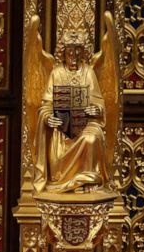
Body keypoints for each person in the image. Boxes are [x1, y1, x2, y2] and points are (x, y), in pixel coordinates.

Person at [33, 31, 109, 193]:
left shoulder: (88, 72)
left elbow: (98, 102)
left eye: (77, 52)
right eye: (70, 52)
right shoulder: (57, 73)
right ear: (63, 53)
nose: (74, 56)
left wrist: (96, 109)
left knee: (92, 138)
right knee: (58, 144)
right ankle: (61, 180)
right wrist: (48, 118)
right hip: (62, 127)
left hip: (86, 123)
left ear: (83, 52)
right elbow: (46, 105)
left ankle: (87, 181)